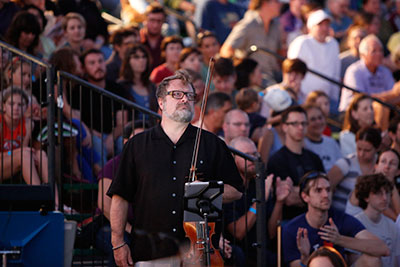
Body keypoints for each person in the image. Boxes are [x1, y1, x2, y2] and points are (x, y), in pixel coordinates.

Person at [107, 70, 243, 265]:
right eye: (177, 94)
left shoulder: (212, 143)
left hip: (197, 254)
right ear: (161, 103)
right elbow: (120, 197)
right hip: (151, 253)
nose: (185, 99)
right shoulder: (137, 145)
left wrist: (204, 191)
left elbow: (237, 191)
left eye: (189, 95)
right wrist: (118, 243)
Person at [282, 171, 389, 267]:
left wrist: (340, 239)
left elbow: (382, 248)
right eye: (318, 190)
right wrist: (305, 257)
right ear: (305, 197)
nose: (325, 195)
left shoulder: (341, 219)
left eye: (328, 190)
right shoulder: (293, 229)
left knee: (372, 260)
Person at [224, 136, 292, 266]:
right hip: (237, 254)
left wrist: (279, 201)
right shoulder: (228, 189)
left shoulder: (259, 184)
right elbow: (238, 233)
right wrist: (260, 199)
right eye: (246, 155)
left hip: (261, 250)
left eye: (255, 154)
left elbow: (272, 232)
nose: (252, 159)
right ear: (232, 158)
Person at [267, 105, 325, 220]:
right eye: (294, 123)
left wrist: (298, 191)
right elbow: (289, 198)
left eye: (303, 123)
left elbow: (327, 192)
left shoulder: (314, 158)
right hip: (289, 221)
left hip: (317, 221)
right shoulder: (277, 160)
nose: (300, 127)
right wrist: (316, 193)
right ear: (284, 127)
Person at [220, 0, 283, 85]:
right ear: (265, 3)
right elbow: (226, 50)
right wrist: (243, 72)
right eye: (277, 1)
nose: (280, 4)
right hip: (255, 82)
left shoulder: (276, 25)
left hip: (275, 75)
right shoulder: (248, 24)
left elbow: (280, 54)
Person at [287, 9, 340, 107]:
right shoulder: (301, 42)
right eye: (320, 25)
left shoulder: (333, 44)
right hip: (303, 100)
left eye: (327, 25)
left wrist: (334, 98)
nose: (324, 28)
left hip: (328, 101)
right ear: (310, 27)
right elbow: (292, 71)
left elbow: (336, 73)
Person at [328, 127, 381, 212]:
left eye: (367, 150)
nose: (361, 154)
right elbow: (327, 186)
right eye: (359, 148)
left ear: (377, 148)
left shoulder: (381, 164)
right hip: (340, 214)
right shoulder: (346, 163)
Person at [339, 35, 395, 112]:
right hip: (353, 114)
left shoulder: (385, 71)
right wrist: (390, 95)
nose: (379, 54)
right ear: (363, 55)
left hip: (378, 112)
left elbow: (394, 96)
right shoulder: (354, 71)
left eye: (381, 50)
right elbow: (362, 99)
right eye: (374, 51)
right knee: (380, 107)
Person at [354, 173, 400, 267]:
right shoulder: (355, 223)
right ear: (366, 197)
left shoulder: (392, 226)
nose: (384, 198)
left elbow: (396, 261)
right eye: (378, 193)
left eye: (387, 192)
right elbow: (353, 261)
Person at [346, 149, 400, 221]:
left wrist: (392, 184)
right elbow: (396, 218)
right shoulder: (366, 184)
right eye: (383, 161)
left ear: (398, 172)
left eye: (392, 163)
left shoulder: (392, 189)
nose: (387, 166)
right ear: (376, 166)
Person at [118, 43, 158, 123]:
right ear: (128, 61)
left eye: (144, 57)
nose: (141, 60)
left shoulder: (152, 86)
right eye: (136, 57)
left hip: (152, 131)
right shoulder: (121, 86)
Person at [304, 105, 342, 172]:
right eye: (313, 119)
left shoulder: (331, 142)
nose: (318, 122)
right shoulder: (303, 145)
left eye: (320, 118)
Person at [140, 2, 165, 71]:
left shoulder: (166, 44)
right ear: (144, 20)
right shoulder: (136, 40)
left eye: (159, 21)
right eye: (152, 20)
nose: (155, 25)